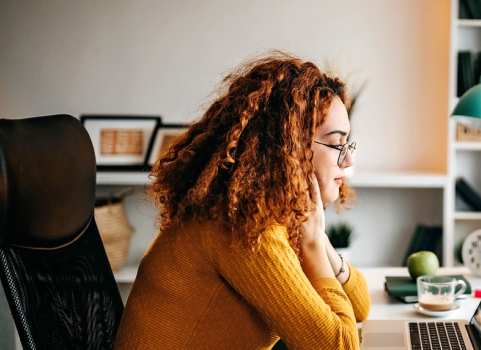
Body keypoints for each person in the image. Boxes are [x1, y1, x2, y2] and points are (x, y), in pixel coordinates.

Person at [114, 52, 370, 350]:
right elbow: (340, 347)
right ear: (290, 145)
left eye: (347, 143)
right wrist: (312, 243)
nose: (348, 159)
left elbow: (361, 306)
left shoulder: (272, 215)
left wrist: (318, 239)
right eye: (337, 144)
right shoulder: (244, 229)